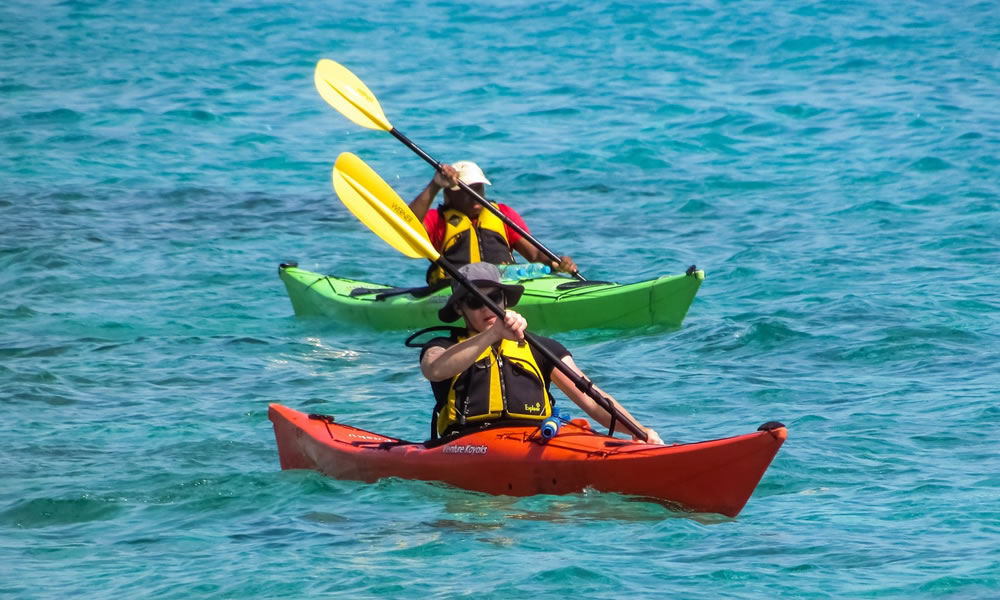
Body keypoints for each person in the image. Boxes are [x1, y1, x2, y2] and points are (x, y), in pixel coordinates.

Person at [418, 262, 662, 444]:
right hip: (470, 444)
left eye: (493, 298)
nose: (486, 307)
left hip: (535, 441)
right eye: (474, 301)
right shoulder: (443, 346)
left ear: (504, 299)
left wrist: (637, 431)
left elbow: (590, 396)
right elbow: (434, 369)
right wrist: (493, 334)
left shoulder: (541, 348)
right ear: (459, 308)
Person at [408, 161, 578, 284]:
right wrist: (434, 186)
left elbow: (534, 255)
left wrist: (557, 263)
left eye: (478, 188)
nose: (475, 195)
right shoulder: (437, 220)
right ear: (449, 195)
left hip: (505, 283)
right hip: (456, 290)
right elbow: (408, 226)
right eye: (467, 190)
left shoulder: (502, 214)